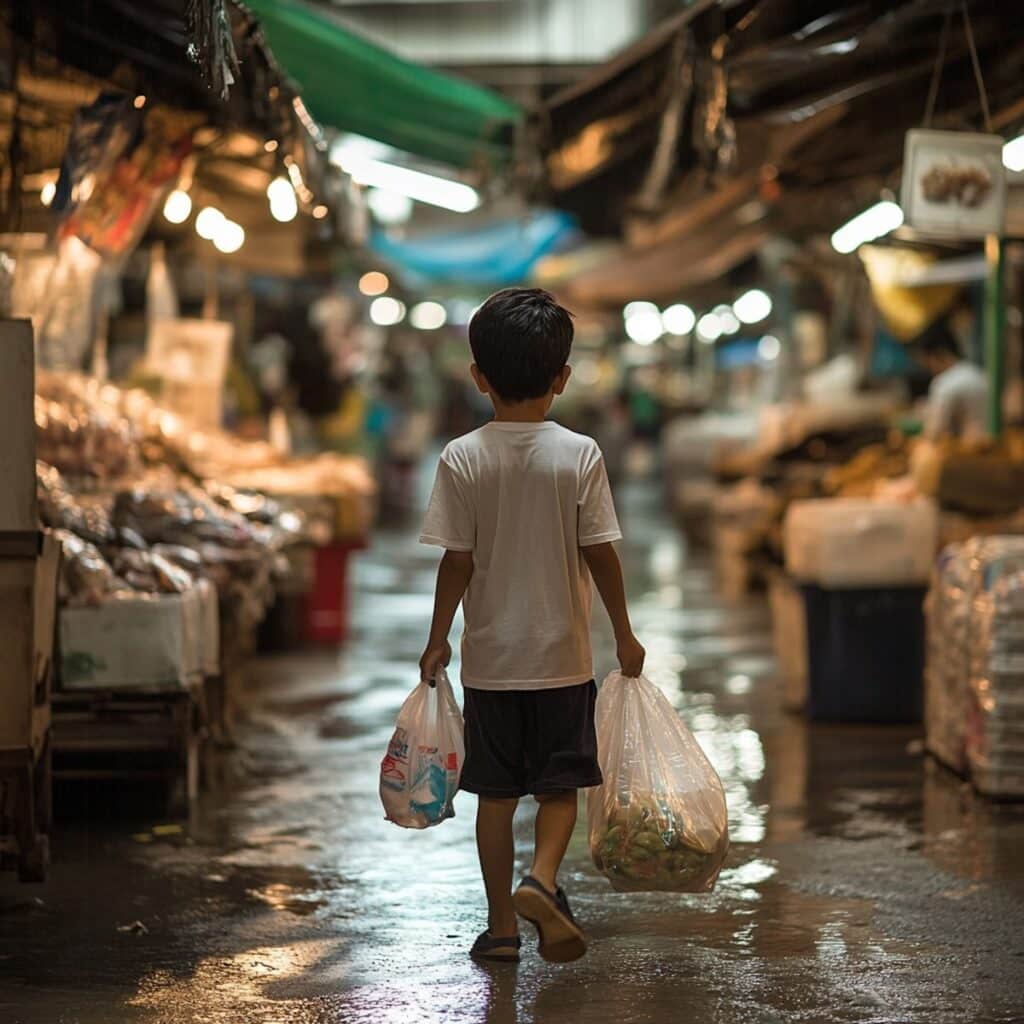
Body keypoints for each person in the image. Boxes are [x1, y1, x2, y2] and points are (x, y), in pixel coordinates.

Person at [417, 288, 645, 965]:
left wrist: (438, 639)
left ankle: (502, 929)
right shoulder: (580, 454)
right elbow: (600, 551)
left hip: (491, 663)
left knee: (494, 795)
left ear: (479, 377)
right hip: (562, 660)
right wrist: (625, 633)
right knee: (558, 788)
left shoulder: (462, 456)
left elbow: (457, 563)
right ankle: (542, 879)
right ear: (562, 378)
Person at [915, 318, 990, 442]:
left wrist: (926, 415)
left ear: (937, 355)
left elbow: (933, 433)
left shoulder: (945, 383)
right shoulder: (978, 373)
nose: (929, 370)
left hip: (966, 452)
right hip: (993, 447)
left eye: (928, 364)